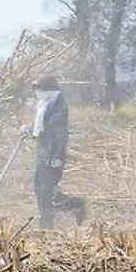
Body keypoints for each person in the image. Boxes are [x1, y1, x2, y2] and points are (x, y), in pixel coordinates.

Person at [22, 76, 86, 228]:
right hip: (43, 153)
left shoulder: (58, 107)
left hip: (51, 155)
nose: (38, 93)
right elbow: (43, 129)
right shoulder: (45, 104)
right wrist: (29, 130)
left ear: (50, 90)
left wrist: (58, 156)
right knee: (40, 189)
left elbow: (60, 134)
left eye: (40, 89)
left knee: (45, 192)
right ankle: (75, 205)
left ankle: (46, 227)